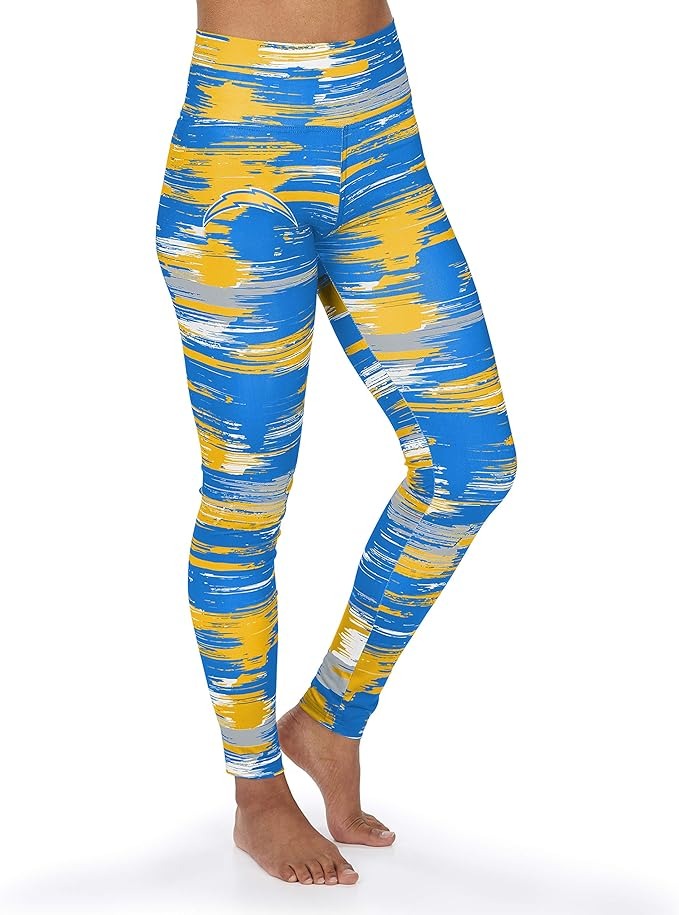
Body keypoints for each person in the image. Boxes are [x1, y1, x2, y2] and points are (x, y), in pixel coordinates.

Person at [155, 0, 518, 886]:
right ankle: (256, 790)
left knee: (472, 465)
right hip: (239, 151)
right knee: (246, 497)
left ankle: (329, 717)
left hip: (381, 131)